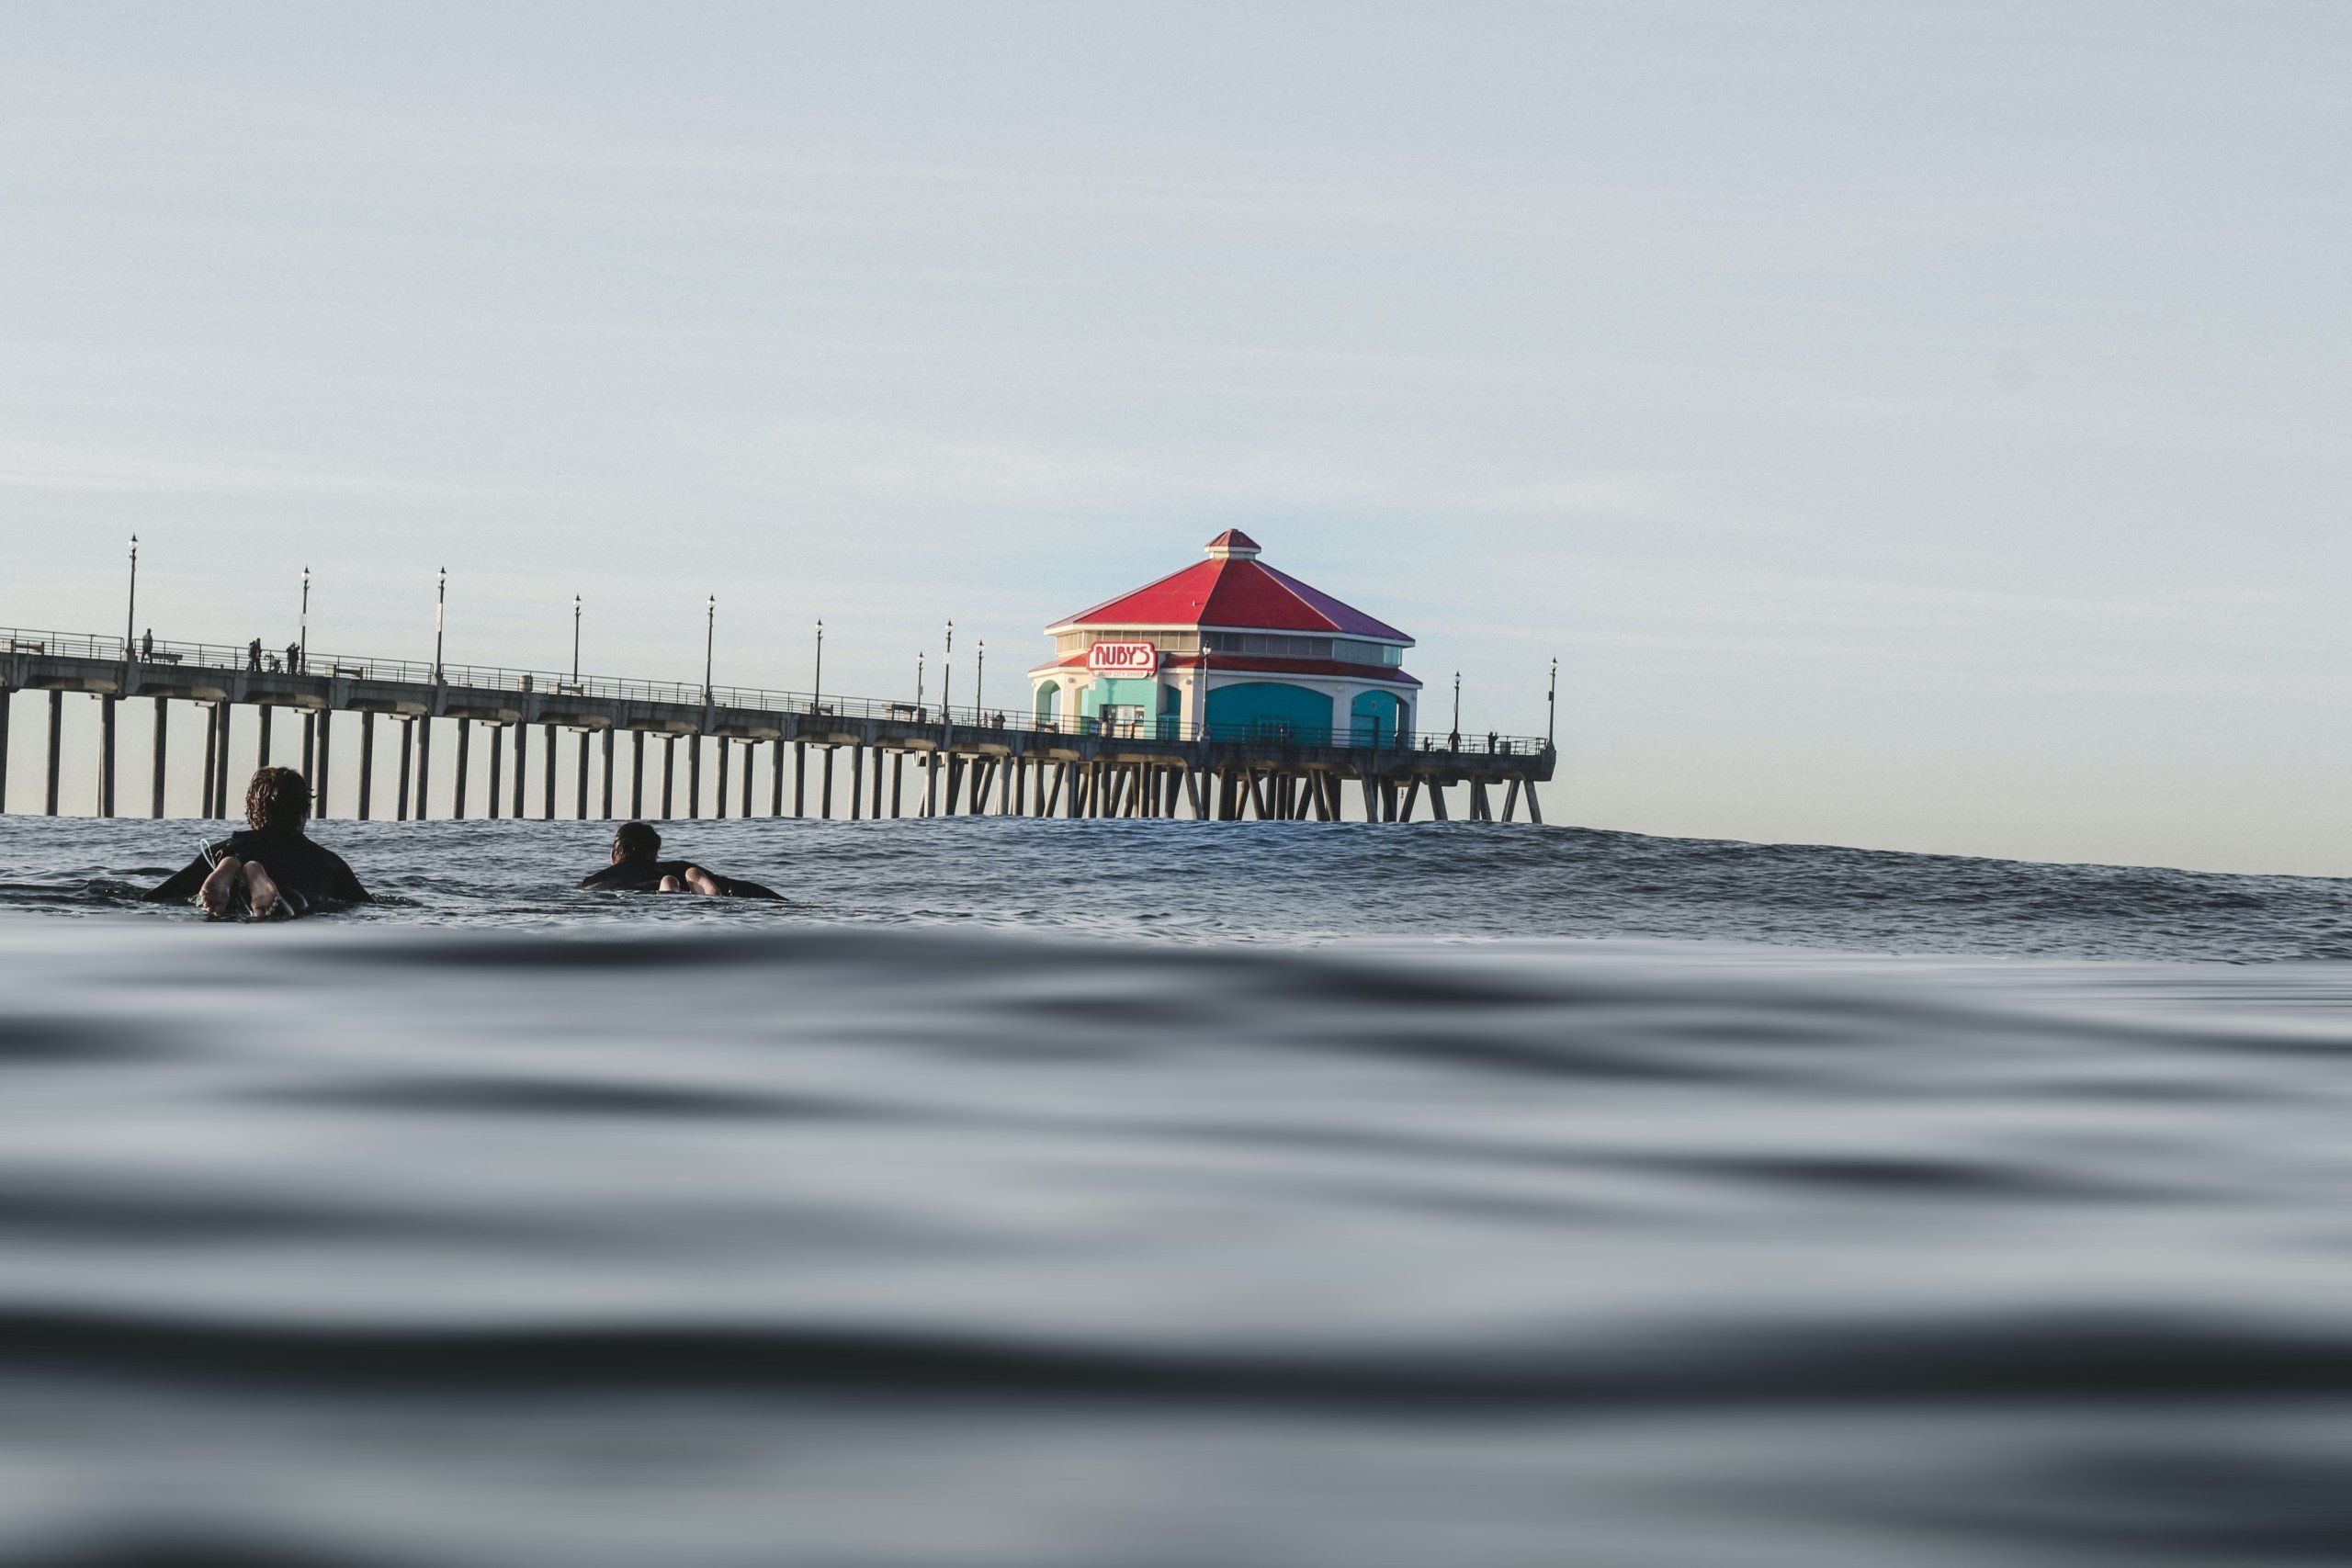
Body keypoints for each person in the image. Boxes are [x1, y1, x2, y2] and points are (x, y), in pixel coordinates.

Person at [144, 766, 370, 919]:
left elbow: (155, 897)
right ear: (303, 813)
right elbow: (367, 906)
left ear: (252, 814)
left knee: (216, 910)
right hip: (290, 897)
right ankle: (259, 888)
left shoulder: (225, 849)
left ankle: (233, 870)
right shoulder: (328, 863)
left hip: (238, 855)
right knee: (293, 907)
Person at [578, 822, 782, 899]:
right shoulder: (674, 867)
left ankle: (669, 891)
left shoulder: (588, 882)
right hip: (658, 883)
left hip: (604, 891)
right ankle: (671, 889)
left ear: (613, 858)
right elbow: (735, 887)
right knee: (683, 881)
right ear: (653, 854)